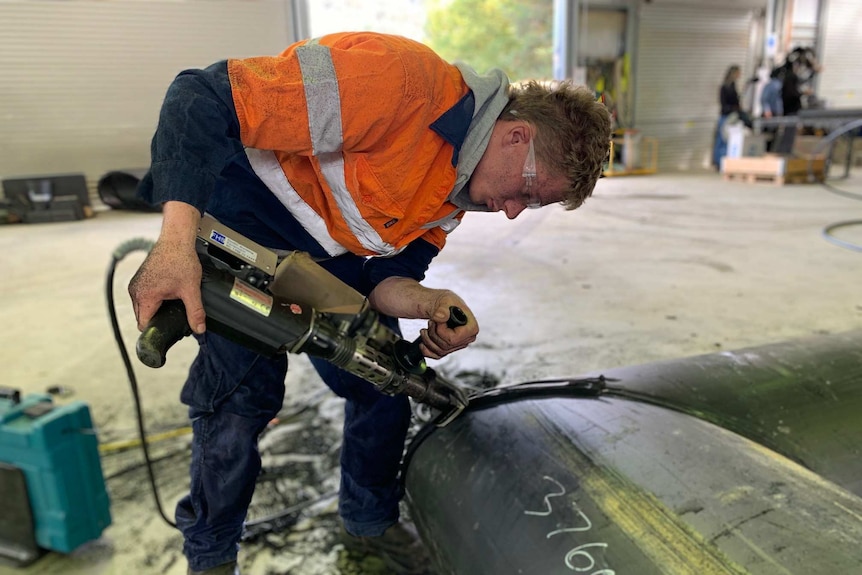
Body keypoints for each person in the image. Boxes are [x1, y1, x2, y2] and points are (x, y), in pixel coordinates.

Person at [128, 31, 611, 575]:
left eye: (533, 205)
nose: (514, 212)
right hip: (243, 222)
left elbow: (385, 277)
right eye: (527, 192)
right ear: (516, 135)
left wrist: (428, 301)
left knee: (386, 387)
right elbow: (200, 96)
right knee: (240, 406)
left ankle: (368, 522)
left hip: (330, 257)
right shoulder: (397, 85)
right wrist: (175, 243)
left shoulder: (459, 190)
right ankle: (211, 558)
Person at [713, 64, 741, 169]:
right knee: (721, 141)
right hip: (726, 117)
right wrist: (734, 108)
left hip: (731, 116)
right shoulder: (725, 87)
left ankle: (724, 162)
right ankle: (719, 162)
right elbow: (724, 104)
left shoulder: (733, 86)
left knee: (726, 141)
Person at [760, 67, 784, 152]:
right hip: (771, 113)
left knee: (774, 135)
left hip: (775, 113)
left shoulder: (775, 84)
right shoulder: (773, 85)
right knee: (768, 135)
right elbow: (764, 99)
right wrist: (767, 110)